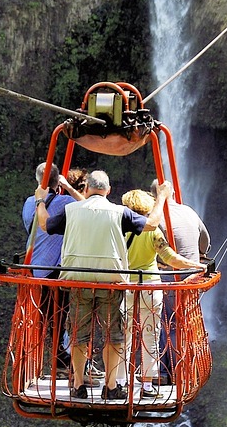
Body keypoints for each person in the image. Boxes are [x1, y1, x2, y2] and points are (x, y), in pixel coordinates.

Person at [38, 170, 172, 401]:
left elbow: (45, 225)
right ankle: (111, 387)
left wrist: (40, 199)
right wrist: (161, 197)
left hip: (78, 283)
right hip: (111, 284)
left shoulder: (71, 211)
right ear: (108, 191)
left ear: (87, 188)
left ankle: (78, 384)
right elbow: (152, 223)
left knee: (79, 335)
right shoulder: (119, 212)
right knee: (114, 335)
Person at [120, 189, 202, 397]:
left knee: (123, 336)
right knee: (151, 335)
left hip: (125, 287)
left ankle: (119, 382)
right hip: (150, 288)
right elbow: (172, 259)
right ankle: (147, 386)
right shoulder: (153, 232)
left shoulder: (118, 230)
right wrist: (196, 266)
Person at [21, 164, 86, 378]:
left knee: (44, 316)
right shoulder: (66, 202)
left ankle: (42, 358)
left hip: (33, 268)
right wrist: (68, 188)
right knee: (61, 315)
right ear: (59, 181)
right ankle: (61, 357)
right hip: (53, 270)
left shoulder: (29, 203)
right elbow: (91, 209)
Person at [151, 181, 210, 383]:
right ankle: (183, 367)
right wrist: (200, 255)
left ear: (154, 197)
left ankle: (165, 372)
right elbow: (205, 241)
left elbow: (155, 248)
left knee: (164, 322)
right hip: (192, 279)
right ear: (174, 194)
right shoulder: (190, 211)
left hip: (170, 279)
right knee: (181, 321)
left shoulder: (155, 219)